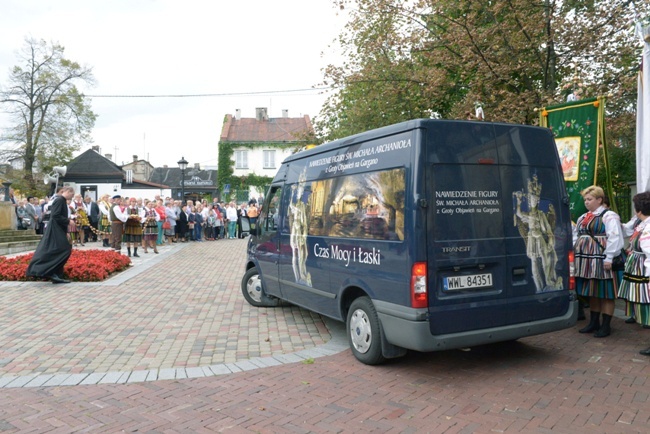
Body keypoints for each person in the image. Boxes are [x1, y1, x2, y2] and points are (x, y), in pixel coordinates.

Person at [573, 186, 624, 338]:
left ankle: (606, 325)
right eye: (585, 200)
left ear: (599, 200)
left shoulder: (609, 216)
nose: (586, 202)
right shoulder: (583, 217)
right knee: (592, 291)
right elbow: (576, 236)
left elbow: (614, 237)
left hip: (601, 259)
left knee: (606, 292)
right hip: (586, 261)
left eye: (589, 199)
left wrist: (609, 257)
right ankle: (594, 322)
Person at [618, 192, 650, 355]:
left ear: (638, 210)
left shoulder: (647, 227)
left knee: (647, 304)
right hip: (640, 267)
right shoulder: (643, 224)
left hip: (644, 270)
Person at [25, 186, 75, 284]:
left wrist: (66, 232)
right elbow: (55, 215)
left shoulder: (61, 200)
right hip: (55, 229)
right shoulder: (60, 200)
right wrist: (68, 221)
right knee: (64, 249)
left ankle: (56, 274)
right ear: (68, 192)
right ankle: (51, 272)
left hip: (58, 229)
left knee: (61, 249)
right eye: (72, 194)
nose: (72, 197)